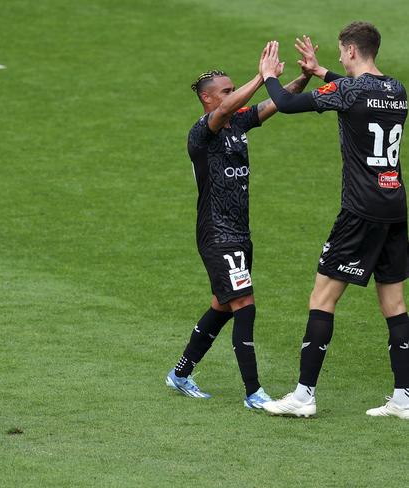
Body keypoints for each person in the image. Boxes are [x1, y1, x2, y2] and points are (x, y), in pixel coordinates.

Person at [259, 22, 409, 419]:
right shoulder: (396, 90)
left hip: (359, 211)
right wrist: (322, 71)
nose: (340, 58)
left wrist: (270, 78)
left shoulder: (350, 91)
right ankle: (404, 398)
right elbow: (360, 94)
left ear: (353, 52)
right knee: (394, 303)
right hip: (395, 208)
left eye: (342, 53)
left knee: (322, 297)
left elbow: (289, 106)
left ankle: (304, 396)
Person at [165, 43, 314, 409]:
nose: (232, 97)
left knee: (222, 305)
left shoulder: (238, 122)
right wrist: (262, 76)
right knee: (244, 305)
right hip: (217, 233)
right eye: (226, 92)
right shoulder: (204, 130)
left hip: (240, 233)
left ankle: (180, 374)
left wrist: (303, 77)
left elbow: (274, 103)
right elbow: (234, 106)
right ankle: (253, 392)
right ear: (207, 99)